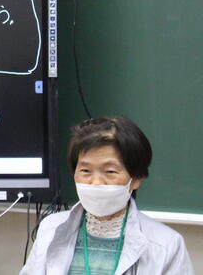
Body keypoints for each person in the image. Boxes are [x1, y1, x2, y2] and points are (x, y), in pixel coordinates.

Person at [21, 116, 194, 274]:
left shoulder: (166, 245)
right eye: (85, 171)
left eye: (110, 171)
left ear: (136, 179)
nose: (96, 182)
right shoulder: (50, 228)